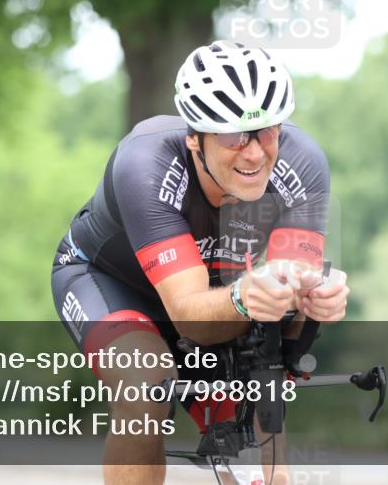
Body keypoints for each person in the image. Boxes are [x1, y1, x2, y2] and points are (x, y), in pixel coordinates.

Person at [51, 41, 349, 485]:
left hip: (216, 292)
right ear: (194, 136)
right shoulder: (146, 162)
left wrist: (312, 298)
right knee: (145, 384)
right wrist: (248, 297)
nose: (253, 153)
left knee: (262, 381)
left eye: (267, 132)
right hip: (110, 284)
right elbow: (190, 315)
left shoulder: (303, 163)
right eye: (232, 136)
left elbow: (285, 293)